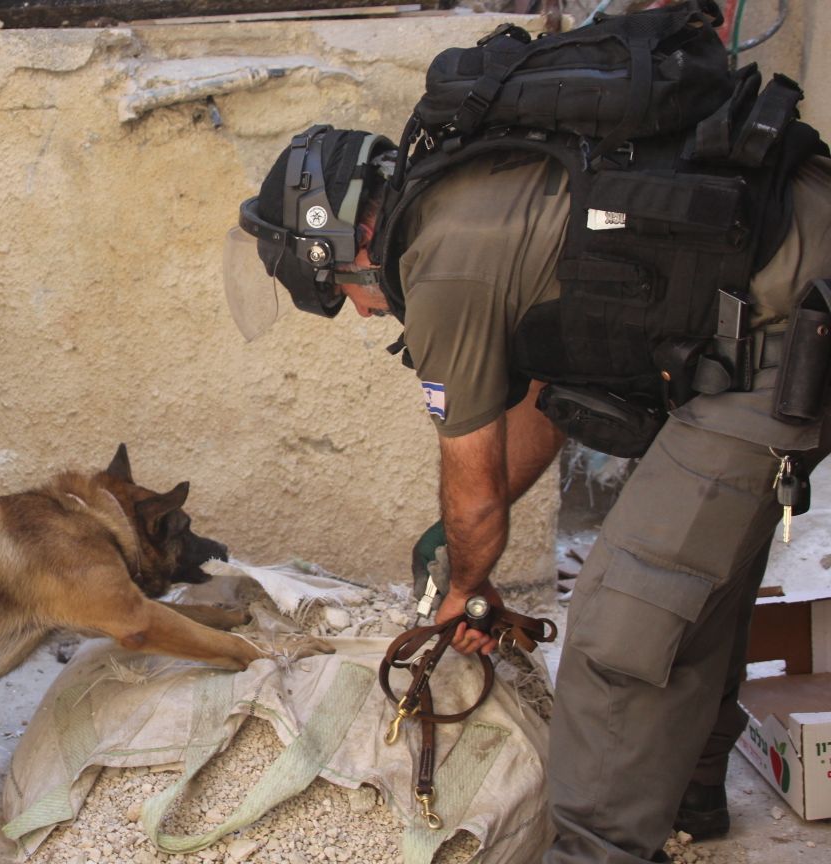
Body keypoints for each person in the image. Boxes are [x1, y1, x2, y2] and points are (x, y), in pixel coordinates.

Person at [223, 31, 830, 864]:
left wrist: (465, 584)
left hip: (788, 337)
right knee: (696, 584)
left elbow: (469, 493)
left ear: (347, 251)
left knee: (621, 627)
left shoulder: (439, 272)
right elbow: (544, 384)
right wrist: (478, 541)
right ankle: (688, 789)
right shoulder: (466, 191)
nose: (362, 314)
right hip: (778, 302)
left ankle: (598, 848)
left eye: (342, 296)